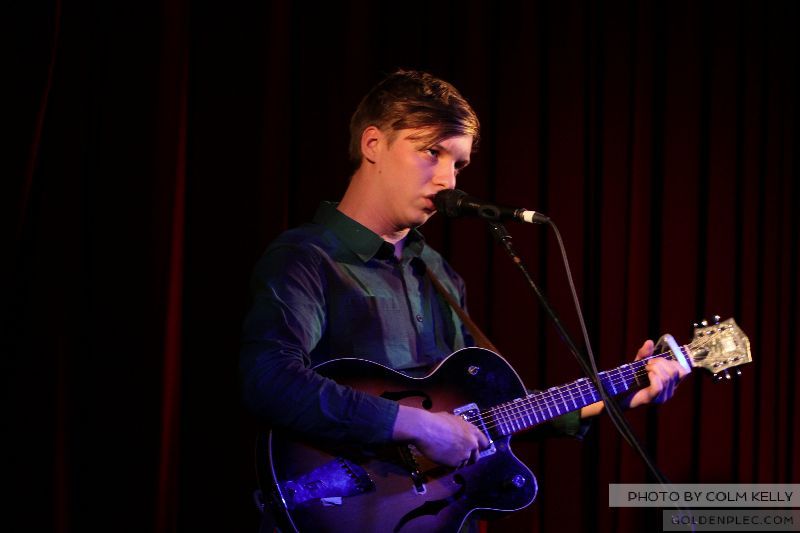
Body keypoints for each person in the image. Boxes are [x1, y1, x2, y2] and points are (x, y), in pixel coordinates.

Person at [239, 69, 689, 530]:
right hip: (335, 503)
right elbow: (269, 380)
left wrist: (618, 393)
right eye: (431, 152)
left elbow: (477, 416)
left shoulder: (438, 273)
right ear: (373, 145)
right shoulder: (307, 257)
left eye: (459, 164)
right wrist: (414, 425)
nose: (448, 180)